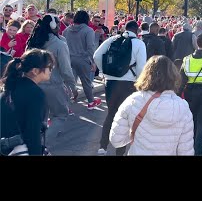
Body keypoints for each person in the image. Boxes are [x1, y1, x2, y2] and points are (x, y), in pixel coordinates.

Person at [109, 56, 194, 155]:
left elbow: (116, 140)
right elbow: (185, 151)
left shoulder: (133, 101)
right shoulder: (183, 107)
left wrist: (136, 134)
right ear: (173, 77)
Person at [94, 20, 147, 156]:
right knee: (126, 116)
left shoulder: (113, 39)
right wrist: (140, 83)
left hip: (111, 82)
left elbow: (96, 56)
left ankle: (102, 147)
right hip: (129, 83)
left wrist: (104, 71)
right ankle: (120, 151)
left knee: (111, 113)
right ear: (137, 30)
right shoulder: (139, 44)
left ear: (125, 28)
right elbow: (141, 66)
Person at [26, 14, 77, 147]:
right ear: (54, 26)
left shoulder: (32, 40)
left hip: (32, 85)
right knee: (60, 115)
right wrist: (73, 86)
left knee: (40, 118)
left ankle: (30, 144)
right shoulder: (59, 44)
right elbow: (66, 69)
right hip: (52, 85)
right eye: (59, 24)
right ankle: (40, 146)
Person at [0, 49, 54, 155]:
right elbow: (32, 131)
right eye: (49, 67)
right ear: (35, 71)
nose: (51, 70)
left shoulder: (11, 86)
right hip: (20, 149)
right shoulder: (36, 93)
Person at [63, 10, 101, 110]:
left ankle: (65, 106)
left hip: (68, 59)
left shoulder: (66, 30)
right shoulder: (88, 31)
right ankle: (91, 102)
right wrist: (93, 62)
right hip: (83, 59)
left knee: (69, 83)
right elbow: (90, 47)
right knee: (86, 82)